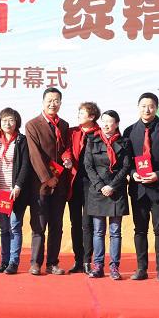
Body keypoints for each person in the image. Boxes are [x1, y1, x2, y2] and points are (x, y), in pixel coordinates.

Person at [124, 92, 159, 282]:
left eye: (151, 106)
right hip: (138, 188)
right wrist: (133, 173)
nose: (147, 110)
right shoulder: (130, 131)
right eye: (143, 106)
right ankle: (141, 268)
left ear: (156, 108)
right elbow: (126, 159)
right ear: (138, 107)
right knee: (140, 229)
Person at [24, 87, 72, 276]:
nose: (53, 104)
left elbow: (66, 148)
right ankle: (35, 263)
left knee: (56, 226)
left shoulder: (64, 125)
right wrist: (47, 178)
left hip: (60, 183)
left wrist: (67, 158)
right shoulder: (32, 125)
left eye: (56, 100)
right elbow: (34, 155)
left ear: (60, 103)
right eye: (49, 100)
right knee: (39, 225)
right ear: (43, 102)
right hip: (40, 184)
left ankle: (52, 263)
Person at [83, 110, 133, 280]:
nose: (105, 124)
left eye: (109, 121)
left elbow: (126, 166)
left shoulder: (124, 142)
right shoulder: (92, 140)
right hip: (97, 191)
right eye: (103, 121)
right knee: (98, 231)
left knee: (115, 231)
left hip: (116, 191)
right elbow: (88, 166)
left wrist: (112, 186)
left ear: (116, 124)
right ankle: (98, 266)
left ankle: (114, 267)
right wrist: (101, 186)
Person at [62, 102, 100, 274]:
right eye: (78, 112)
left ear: (91, 116)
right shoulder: (73, 132)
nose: (78, 115)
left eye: (82, 113)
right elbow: (66, 149)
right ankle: (78, 259)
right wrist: (68, 159)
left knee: (87, 223)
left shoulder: (100, 133)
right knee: (75, 222)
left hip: (92, 185)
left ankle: (87, 260)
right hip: (74, 182)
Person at [0, 108, 31, 274]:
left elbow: (25, 165)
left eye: (11, 120)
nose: (7, 124)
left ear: (17, 122)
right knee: (4, 229)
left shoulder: (22, 140)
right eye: (4, 120)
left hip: (15, 192)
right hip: (0, 192)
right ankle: (4, 261)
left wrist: (18, 186)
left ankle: (13, 262)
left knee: (15, 226)